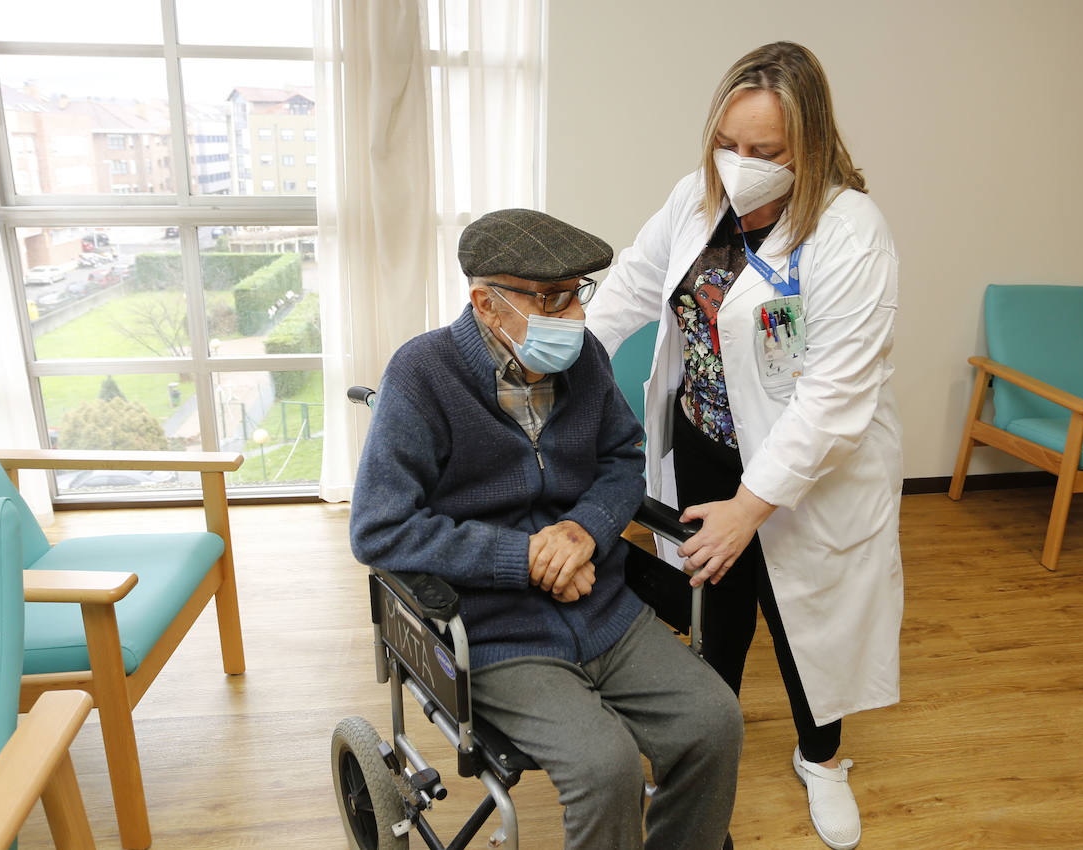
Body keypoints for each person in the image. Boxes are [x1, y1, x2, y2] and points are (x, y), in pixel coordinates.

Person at [585, 42, 903, 850]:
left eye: (766, 152)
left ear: (812, 147)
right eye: (730, 143)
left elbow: (833, 398)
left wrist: (751, 509)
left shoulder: (849, 234)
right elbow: (627, 286)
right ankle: (701, 748)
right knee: (713, 616)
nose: (741, 165)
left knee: (807, 626)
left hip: (810, 472)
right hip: (705, 446)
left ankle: (822, 758)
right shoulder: (694, 200)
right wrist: (564, 361)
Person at [349, 208, 743, 850]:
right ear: (486, 303)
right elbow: (380, 529)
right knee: (605, 767)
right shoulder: (421, 376)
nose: (576, 317)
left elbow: (622, 459)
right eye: (552, 299)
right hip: (495, 631)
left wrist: (583, 531)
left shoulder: (583, 359)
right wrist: (523, 556)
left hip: (603, 605)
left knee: (715, 721)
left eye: (576, 295)